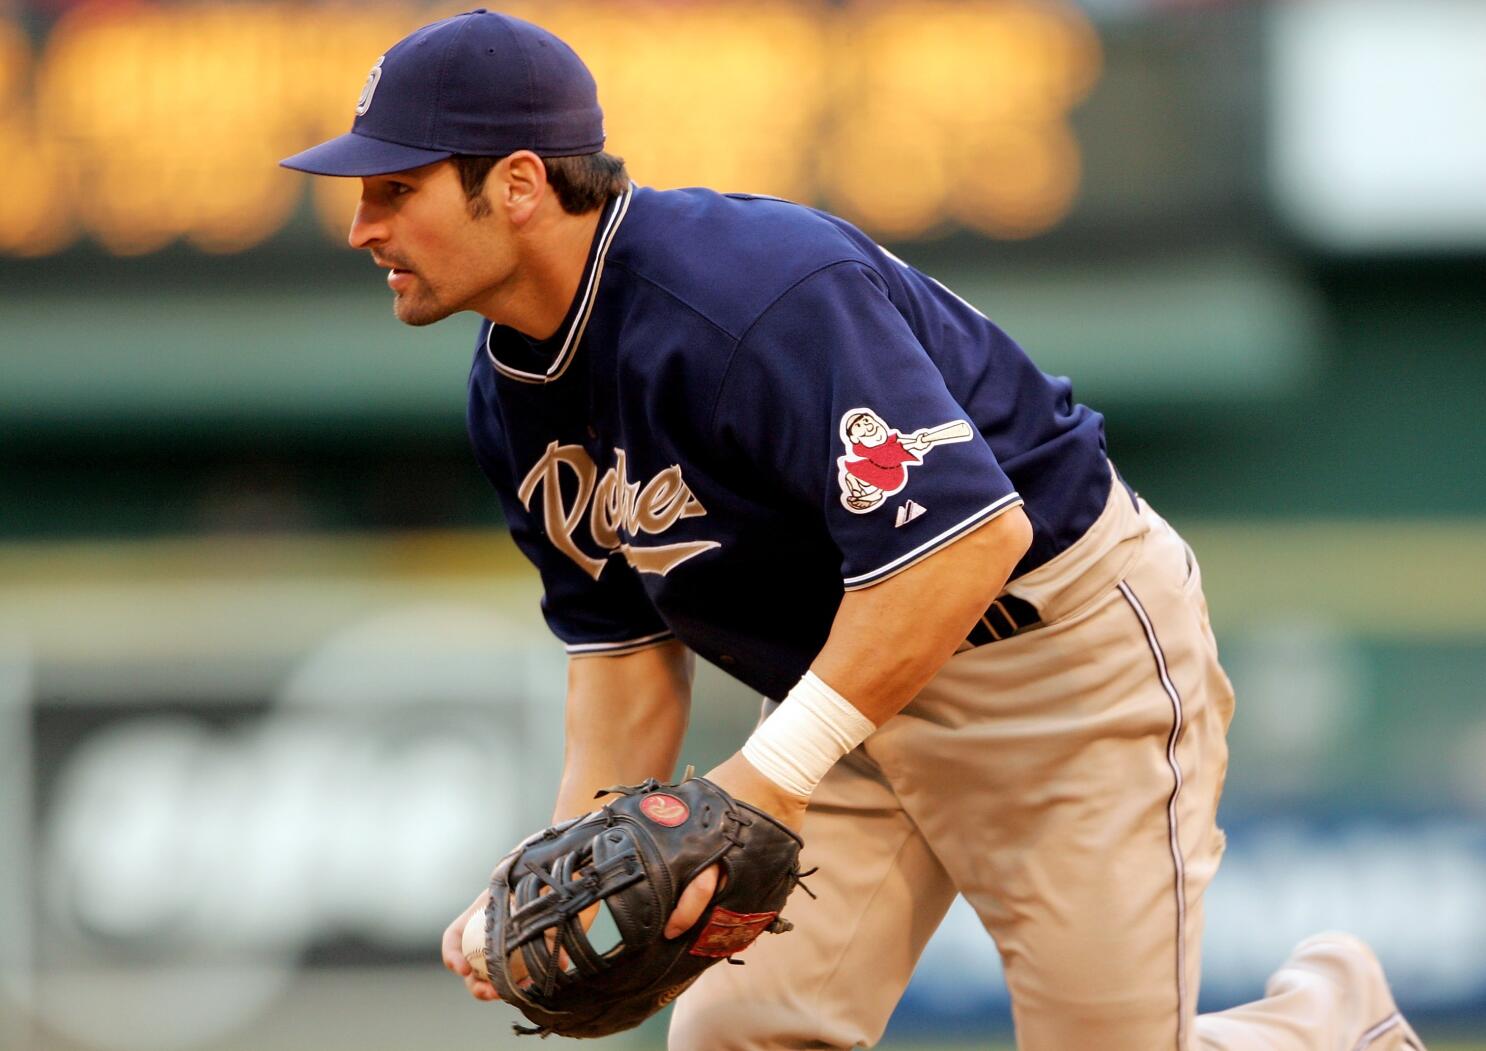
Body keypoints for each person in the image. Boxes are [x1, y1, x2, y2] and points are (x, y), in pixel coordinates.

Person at [281, 10, 1424, 1050]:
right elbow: (622, 659)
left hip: (1054, 665)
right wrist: (555, 871)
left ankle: (1324, 1027)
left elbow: (964, 544)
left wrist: (770, 779)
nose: (361, 223)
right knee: (738, 1038)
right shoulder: (510, 394)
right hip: (848, 696)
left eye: (395, 188)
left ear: (518, 182)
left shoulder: (747, 293)